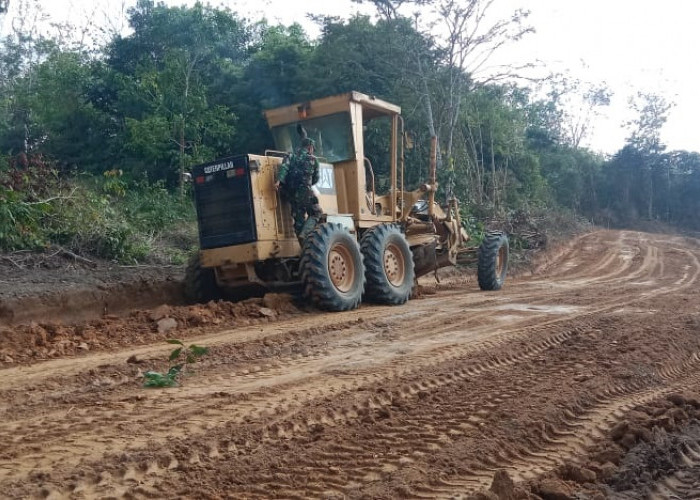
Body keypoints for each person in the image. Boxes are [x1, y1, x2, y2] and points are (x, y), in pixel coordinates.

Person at [275, 137, 323, 243]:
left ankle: (303, 245)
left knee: (299, 222)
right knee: (317, 213)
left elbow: (284, 168)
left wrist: (279, 181)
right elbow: (316, 179)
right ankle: (304, 234)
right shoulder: (314, 160)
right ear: (310, 148)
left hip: (291, 194)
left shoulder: (290, 156)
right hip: (306, 193)